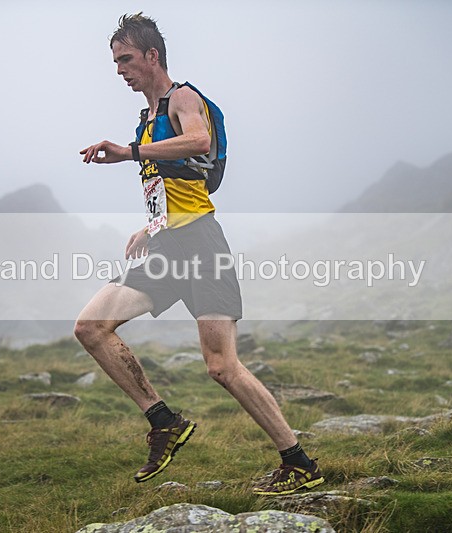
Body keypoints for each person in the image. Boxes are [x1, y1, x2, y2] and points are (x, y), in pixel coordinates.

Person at [75, 12, 323, 495]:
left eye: (126, 59)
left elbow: (199, 140)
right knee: (90, 327)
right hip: (168, 246)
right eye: (114, 62)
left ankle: (299, 462)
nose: (119, 70)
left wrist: (130, 153)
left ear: (152, 56)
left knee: (221, 367)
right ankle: (163, 421)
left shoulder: (182, 97)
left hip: (203, 245)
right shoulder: (146, 119)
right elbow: (174, 184)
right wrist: (150, 227)